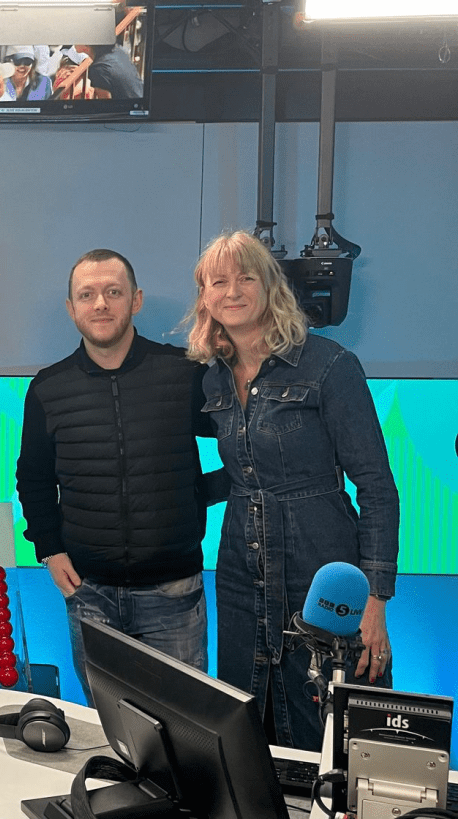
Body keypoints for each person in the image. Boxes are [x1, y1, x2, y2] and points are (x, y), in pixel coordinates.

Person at [184, 230, 399, 751]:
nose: (232, 291)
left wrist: (375, 598)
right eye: (219, 282)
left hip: (321, 569)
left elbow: (376, 486)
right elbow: (246, 472)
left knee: (332, 723)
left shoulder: (329, 365)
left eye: (246, 277)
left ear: (270, 286)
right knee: (246, 720)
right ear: (205, 297)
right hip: (240, 571)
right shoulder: (212, 378)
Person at [16, 249, 221, 704]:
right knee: (108, 727)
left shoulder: (185, 373)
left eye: (113, 292)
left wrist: (201, 493)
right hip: (89, 595)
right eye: (86, 295)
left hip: (174, 594)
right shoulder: (48, 388)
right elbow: (33, 479)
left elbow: (245, 437)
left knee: (184, 723)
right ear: (71, 308)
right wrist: (49, 550)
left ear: (136, 300)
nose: (100, 304)